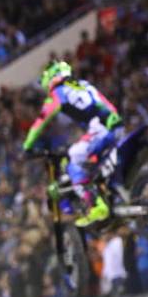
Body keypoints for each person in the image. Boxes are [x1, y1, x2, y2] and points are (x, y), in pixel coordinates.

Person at [23, 60, 123, 227]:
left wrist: (27, 146)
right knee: (93, 165)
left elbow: (41, 121)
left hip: (100, 129)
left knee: (74, 157)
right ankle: (111, 194)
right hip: (115, 124)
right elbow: (104, 102)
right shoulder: (83, 84)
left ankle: (96, 206)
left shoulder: (58, 93)